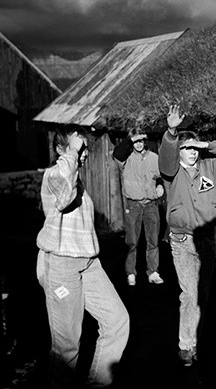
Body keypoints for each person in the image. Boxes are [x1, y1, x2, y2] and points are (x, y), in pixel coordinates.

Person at [35, 127, 130, 388]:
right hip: (62, 266)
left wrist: (75, 153)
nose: (84, 154)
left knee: (117, 322)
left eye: (85, 148)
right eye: (79, 148)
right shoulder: (55, 175)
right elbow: (64, 198)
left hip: (89, 264)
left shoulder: (78, 181)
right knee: (66, 349)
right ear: (60, 151)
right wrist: (72, 153)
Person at [158, 105, 216, 367]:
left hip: (207, 240)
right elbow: (166, 156)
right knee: (189, 294)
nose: (190, 152)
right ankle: (186, 346)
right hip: (181, 240)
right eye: (185, 148)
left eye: (193, 149)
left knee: (202, 296)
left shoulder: (210, 169)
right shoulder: (171, 173)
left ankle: (197, 343)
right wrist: (172, 132)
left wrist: (205, 143)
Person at [113, 128, 165, 286]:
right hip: (133, 205)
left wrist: (160, 186)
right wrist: (132, 138)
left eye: (141, 141)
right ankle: (131, 273)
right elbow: (117, 153)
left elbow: (160, 176)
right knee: (132, 241)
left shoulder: (154, 158)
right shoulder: (125, 158)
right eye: (135, 142)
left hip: (151, 204)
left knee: (153, 240)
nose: (138, 144)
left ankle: (153, 272)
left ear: (145, 141)